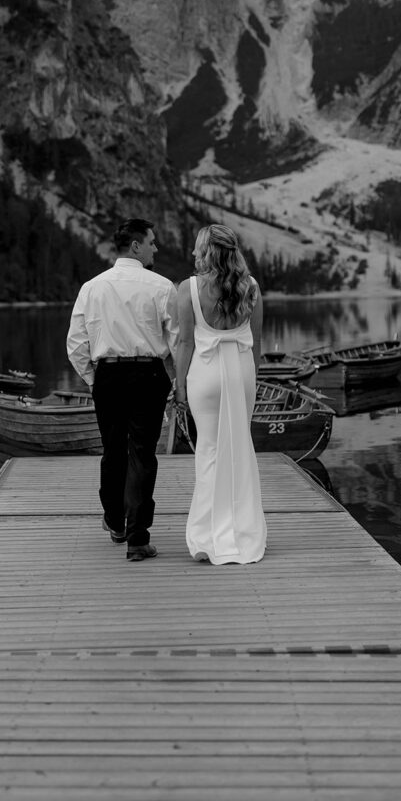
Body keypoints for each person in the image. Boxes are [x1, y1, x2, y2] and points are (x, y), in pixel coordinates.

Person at [67, 218, 178, 562]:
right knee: (142, 453)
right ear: (136, 246)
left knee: (112, 449)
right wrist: (175, 381)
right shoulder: (162, 286)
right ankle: (137, 538)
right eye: (152, 242)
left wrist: (92, 379)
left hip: (108, 377)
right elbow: (177, 340)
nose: (156, 248)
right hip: (148, 376)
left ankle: (115, 522)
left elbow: (76, 343)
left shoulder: (92, 287)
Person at [175, 223, 266, 564]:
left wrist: (179, 385)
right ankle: (244, 531)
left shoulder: (189, 288)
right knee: (240, 448)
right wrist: (251, 379)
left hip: (206, 375)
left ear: (203, 250)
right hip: (241, 372)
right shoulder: (251, 287)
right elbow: (254, 343)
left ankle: (207, 536)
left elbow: (185, 342)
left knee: (209, 452)